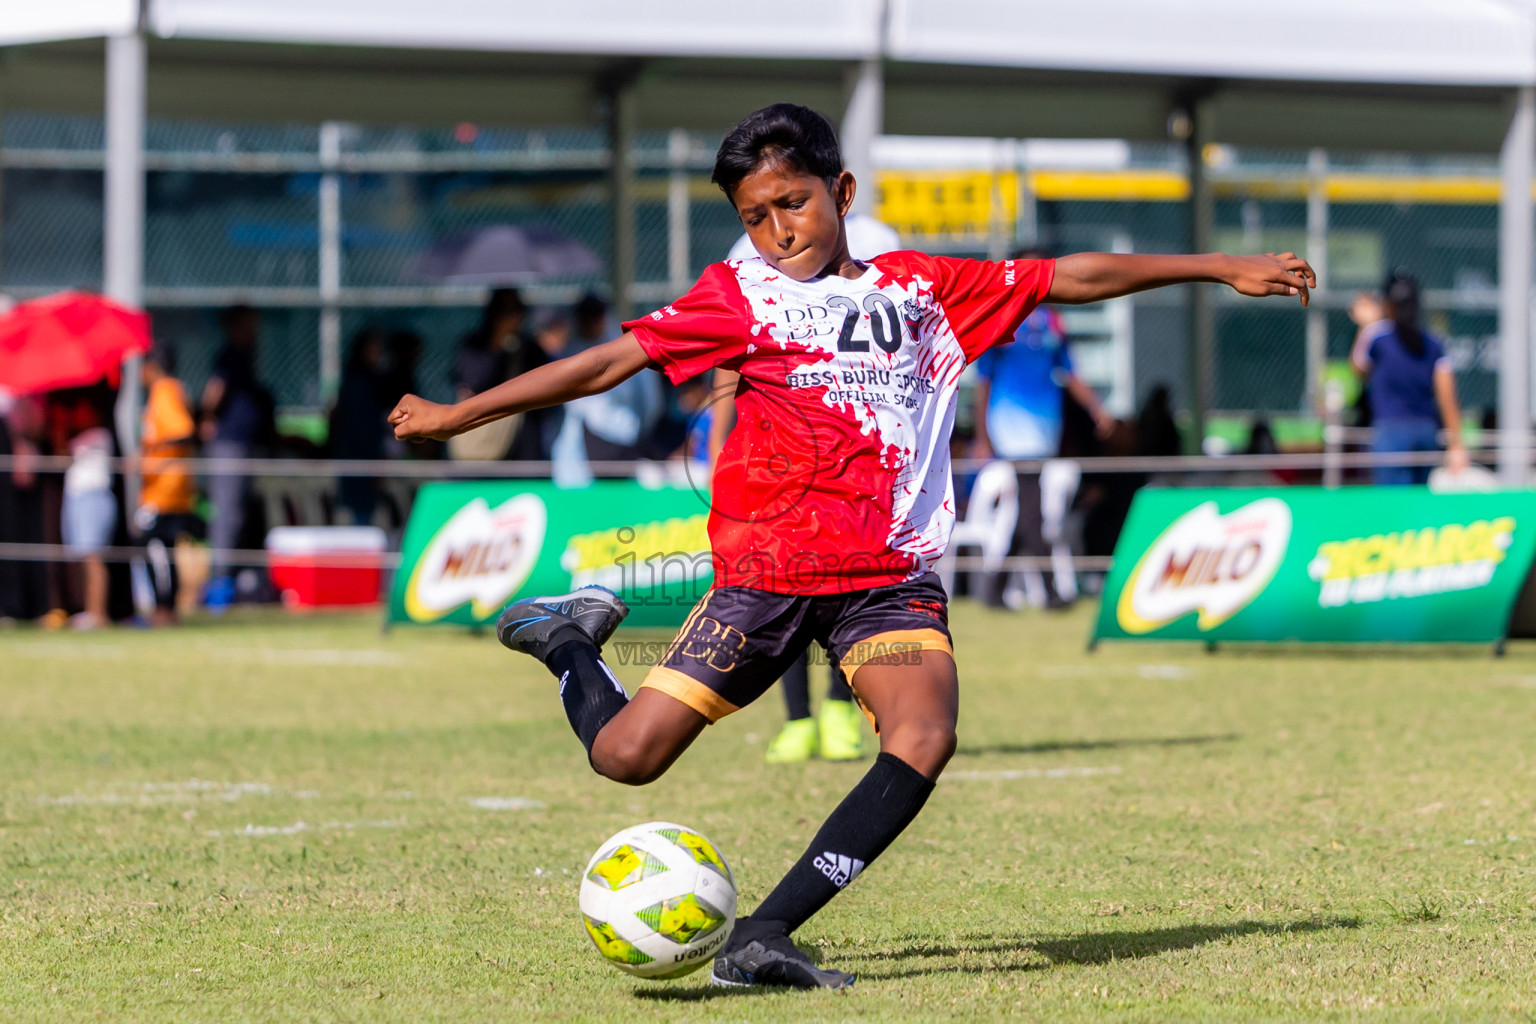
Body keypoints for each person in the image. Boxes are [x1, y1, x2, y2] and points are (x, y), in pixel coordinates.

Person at [388, 103, 1315, 990]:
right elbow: (603, 363)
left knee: (925, 735)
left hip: (889, 579)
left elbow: (1067, 275)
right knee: (626, 759)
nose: (779, 230)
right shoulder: (735, 299)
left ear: (843, 190)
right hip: (766, 578)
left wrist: (1217, 264)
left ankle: (764, 933)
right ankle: (565, 640)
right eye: (756, 217)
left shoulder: (921, 289)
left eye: (793, 203)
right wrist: (460, 415)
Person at [971, 261, 1115, 609]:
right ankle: (1050, 593)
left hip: (1043, 432)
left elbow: (1070, 372)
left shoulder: (1053, 323)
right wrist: (983, 436)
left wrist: (1096, 407)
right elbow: (983, 383)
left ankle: (994, 591)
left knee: (1026, 512)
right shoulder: (1001, 318)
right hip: (1012, 430)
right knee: (1033, 511)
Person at [1350, 272, 1467, 485]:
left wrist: (1366, 324)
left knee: (1394, 508)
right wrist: (1456, 444)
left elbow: (1358, 368)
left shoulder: (1377, 336)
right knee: (1418, 507)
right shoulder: (1433, 342)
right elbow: (1447, 395)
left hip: (1393, 431)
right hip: (1423, 430)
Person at [200, 304, 273, 609]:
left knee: (240, 514)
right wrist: (206, 416)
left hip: (243, 444)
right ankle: (218, 583)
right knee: (226, 515)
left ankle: (232, 578)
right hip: (228, 445)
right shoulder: (230, 355)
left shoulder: (247, 355)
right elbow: (213, 393)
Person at [133, 343, 200, 625]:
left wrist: (152, 452)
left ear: (153, 367)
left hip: (164, 491)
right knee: (164, 549)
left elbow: (183, 431)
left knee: (145, 543)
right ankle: (167, 610)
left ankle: (164, 607)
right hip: (171, 488)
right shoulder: (172, 389)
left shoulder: (164, 390)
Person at [60, 401, 117, 630]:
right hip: (79, 498)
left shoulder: (99, 435)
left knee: (94, 558)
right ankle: (91, 611)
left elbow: (64, 455)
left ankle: (98, 613)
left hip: (92, 498)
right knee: (86, 558)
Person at [329, 328, 388, 525]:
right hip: (359, 461)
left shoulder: (365, 380)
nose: (378, 353)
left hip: (358, 459)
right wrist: (375, 462)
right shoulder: (359, 383)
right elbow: (363, 428)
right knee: (359, 519)